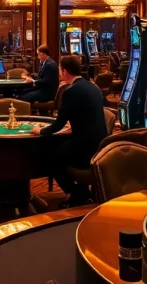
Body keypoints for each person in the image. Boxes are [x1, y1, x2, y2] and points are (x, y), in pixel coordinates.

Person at [30, 55, 107, 206]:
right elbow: (86, 113)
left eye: (60, 69)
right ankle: (83, 191)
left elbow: (58, 125)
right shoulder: (92, 86)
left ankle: (76, 193)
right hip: (102, 144)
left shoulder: (71, 91)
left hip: (86, 146)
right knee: (62, 147)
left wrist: (40, 131)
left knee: (51, 157)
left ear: (64, 71)